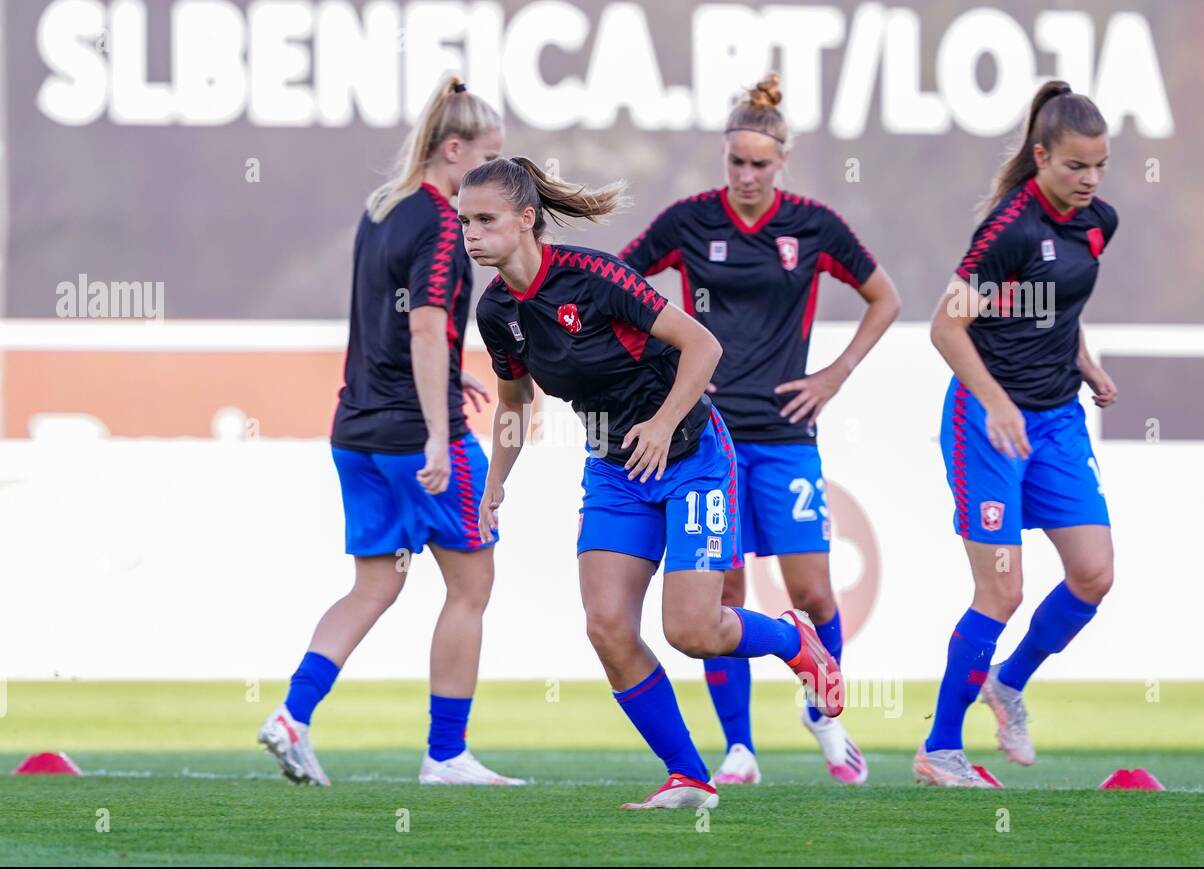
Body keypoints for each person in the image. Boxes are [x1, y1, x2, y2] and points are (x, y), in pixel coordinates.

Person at [459, 156, 845, 810]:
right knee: (608, 626)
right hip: (614, 471)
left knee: (693, 630)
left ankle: (792, 639)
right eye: (465, 220)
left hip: (692, 455)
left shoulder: (595, 277)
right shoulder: (497, 310)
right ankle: (689, 776)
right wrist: (496, 483)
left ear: (526, 220)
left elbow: (702, 346)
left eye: (485, 220)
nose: (471, 233)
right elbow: (517, 401)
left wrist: (664, 424)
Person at [621, 72, 901, 786]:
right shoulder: (689, 221)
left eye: (760, 164)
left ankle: (826, 715)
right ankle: (739, 747)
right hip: (709, 440)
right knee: (725, 594)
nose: (746, 176)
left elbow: (885, 297)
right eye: (736, 162)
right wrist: (669, 359)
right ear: (724, 159)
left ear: (782, 162)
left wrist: (834, 375)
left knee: (813, 591)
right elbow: (617, 287)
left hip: (784, 435)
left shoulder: (812, 225)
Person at [258, 74, 524, 787]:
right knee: (471, 587)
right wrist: (440, 431)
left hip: (357, 431)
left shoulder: (382, 210)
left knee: (374, 586)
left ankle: (292, 714)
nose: (498, 172)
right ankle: (446, 754)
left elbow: (387, 324)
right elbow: (428, 325)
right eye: (490, 156)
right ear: (454, 149)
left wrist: (444, 381)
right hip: (417, 438)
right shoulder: (442, 221)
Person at [916, 80, 1119, 787]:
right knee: (1001, 590)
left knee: (1094, 574)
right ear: (1041, 158)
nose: (1090, 180)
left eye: (1099, 166)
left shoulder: (1100, 222)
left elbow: (1060, 305)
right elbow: (946, 327)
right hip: (988, 420)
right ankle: (940, 748)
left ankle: (1009, 682)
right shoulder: (1009, 229)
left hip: (1059, 418)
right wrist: (996, 401)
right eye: (1075, 166)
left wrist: (1085, 363)